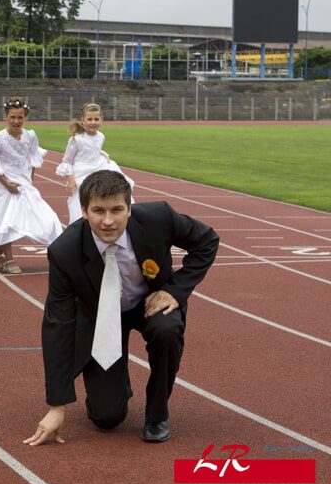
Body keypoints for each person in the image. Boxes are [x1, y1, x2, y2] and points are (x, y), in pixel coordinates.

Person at [24, 170, 218, 445]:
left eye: (116, 210)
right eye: (98, 211)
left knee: (167, 329)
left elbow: (207, 241)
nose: (108, 221)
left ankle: (157, 414)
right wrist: (57, 405)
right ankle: (111, 391)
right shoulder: (64, 251)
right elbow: (58, 324)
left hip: (149, 303)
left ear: (129, 208)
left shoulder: (158, 217)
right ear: (84, 211)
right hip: (99, 314)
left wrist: (174, 291)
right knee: (106, 418)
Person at [0, 97, 62, 275]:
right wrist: (7, 184)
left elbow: (33, 158)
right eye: (12, 117)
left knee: (44, 216)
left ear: (25, 117)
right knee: (6, 220)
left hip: (23, 182)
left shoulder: (30, 136)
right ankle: (9, 259)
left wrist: (29, 180)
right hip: (3, 183)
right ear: (6, 116)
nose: (16, 121)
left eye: (20, 117)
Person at [56, 102, 135, 225]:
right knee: (82, 199)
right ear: (83, 120)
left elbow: (94, 149)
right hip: (82, 171)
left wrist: (103, 154)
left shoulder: (101, 136)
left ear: (101, 119)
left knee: (108, 192)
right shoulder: (76, 139)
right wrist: (70, 179)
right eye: (89, 119)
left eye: (96, 119)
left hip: (99, 166)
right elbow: (67, 161)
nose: (93, 122)